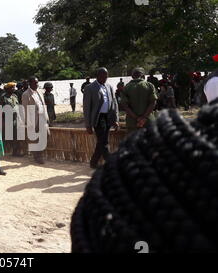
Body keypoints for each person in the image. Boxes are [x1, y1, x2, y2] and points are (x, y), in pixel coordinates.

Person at [71, 98, 218, 253]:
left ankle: (96, 161)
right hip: (137, 125)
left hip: (131, 131)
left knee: (109, 146)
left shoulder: (119, 174)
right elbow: (151, 103)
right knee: (106, 145)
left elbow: (122, 104)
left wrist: (130, 118)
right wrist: (142, 117)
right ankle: (96, 161)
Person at [83, 67, 119, 169]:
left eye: (106, 75)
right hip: (98, 118)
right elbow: (86, 108)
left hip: (108, 116)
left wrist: (115, 119)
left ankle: (93, 162)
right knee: (104, 141)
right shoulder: (89, 88)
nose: (105, 77)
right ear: (97, 76)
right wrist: (88, 125)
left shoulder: (109, 87)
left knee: (101, 141)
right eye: (103, 75)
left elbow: (114, 103)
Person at [121, 67, 157, 135]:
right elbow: (153, 102)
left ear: (132, 76)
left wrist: (137, 119)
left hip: (132, 123)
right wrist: (143, 118)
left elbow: (125, 106)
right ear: (143, 76)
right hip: (148, 122)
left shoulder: (126, 87)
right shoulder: (150, 85)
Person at [22, 76, 50, 165]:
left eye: (37, 82)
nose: (37, 84)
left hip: (43, 118)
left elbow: (43, 105)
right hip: (34, 120)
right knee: (36, 138)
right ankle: (37, 156)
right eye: (35, 82)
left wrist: (47, 117)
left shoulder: (40, 92)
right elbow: (25, 109)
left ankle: (39, 154)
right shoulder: (26, 94)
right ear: (30, 83)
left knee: (47, 135)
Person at [0, 82, 23, 157]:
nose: (14, 89)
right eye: (12, 87)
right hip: (7, 119)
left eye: (14, 87)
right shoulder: (3, 97)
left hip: (16, 119)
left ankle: (15, 152)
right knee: (6, 136)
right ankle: (2, 152)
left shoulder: (15, 96)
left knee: (16, 136)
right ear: (8, 89)